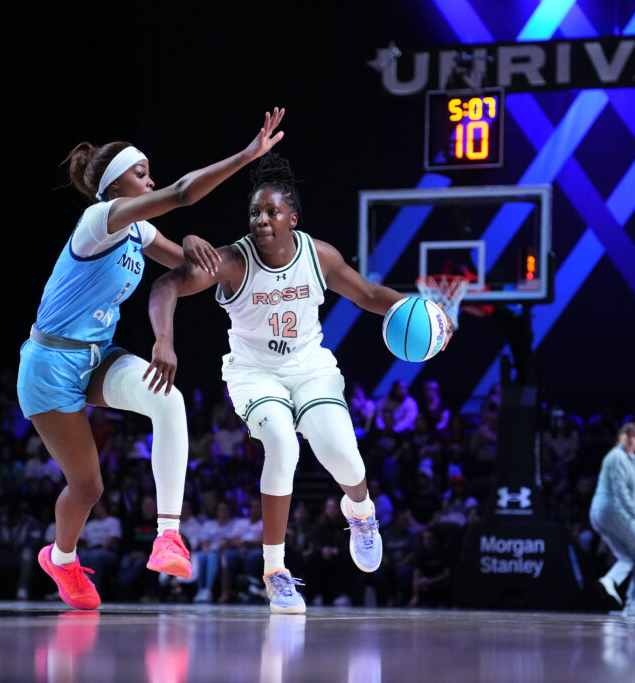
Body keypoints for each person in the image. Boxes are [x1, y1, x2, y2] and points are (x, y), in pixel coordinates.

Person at [144, 153, 454, 614]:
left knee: (343, 456)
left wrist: (427, 314)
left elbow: (369, 295)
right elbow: (165, 286)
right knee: (283, 447)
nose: (262, 220)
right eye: (255, 213)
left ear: (293, 217)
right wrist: (164, 341)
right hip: (254, 373)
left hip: (310, 367)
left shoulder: (318, 255)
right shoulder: (233, 260)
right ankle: (276, 571)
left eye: (271, 212)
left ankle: (361, 512)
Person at [16, 108, 286, 610]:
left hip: (97, 358)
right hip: (49, 365)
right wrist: (248, 156)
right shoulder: (100, 219)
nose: (151, 180)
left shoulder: (137, 233)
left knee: (170, 400)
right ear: (117, 184)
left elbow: (186, 267)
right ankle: (61, 557)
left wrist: (194, 244)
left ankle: (168, 537)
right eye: (142, 174)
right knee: (88, 486)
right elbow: (182, 192)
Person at [589, 421, 635, 613]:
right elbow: (620, 491)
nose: (632, 439)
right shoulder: (617, 457)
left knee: (628, 556)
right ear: (621, 436)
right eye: (629, 435)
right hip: (612, 512)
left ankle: (610, 581)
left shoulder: (631, 460)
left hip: (606, 514)